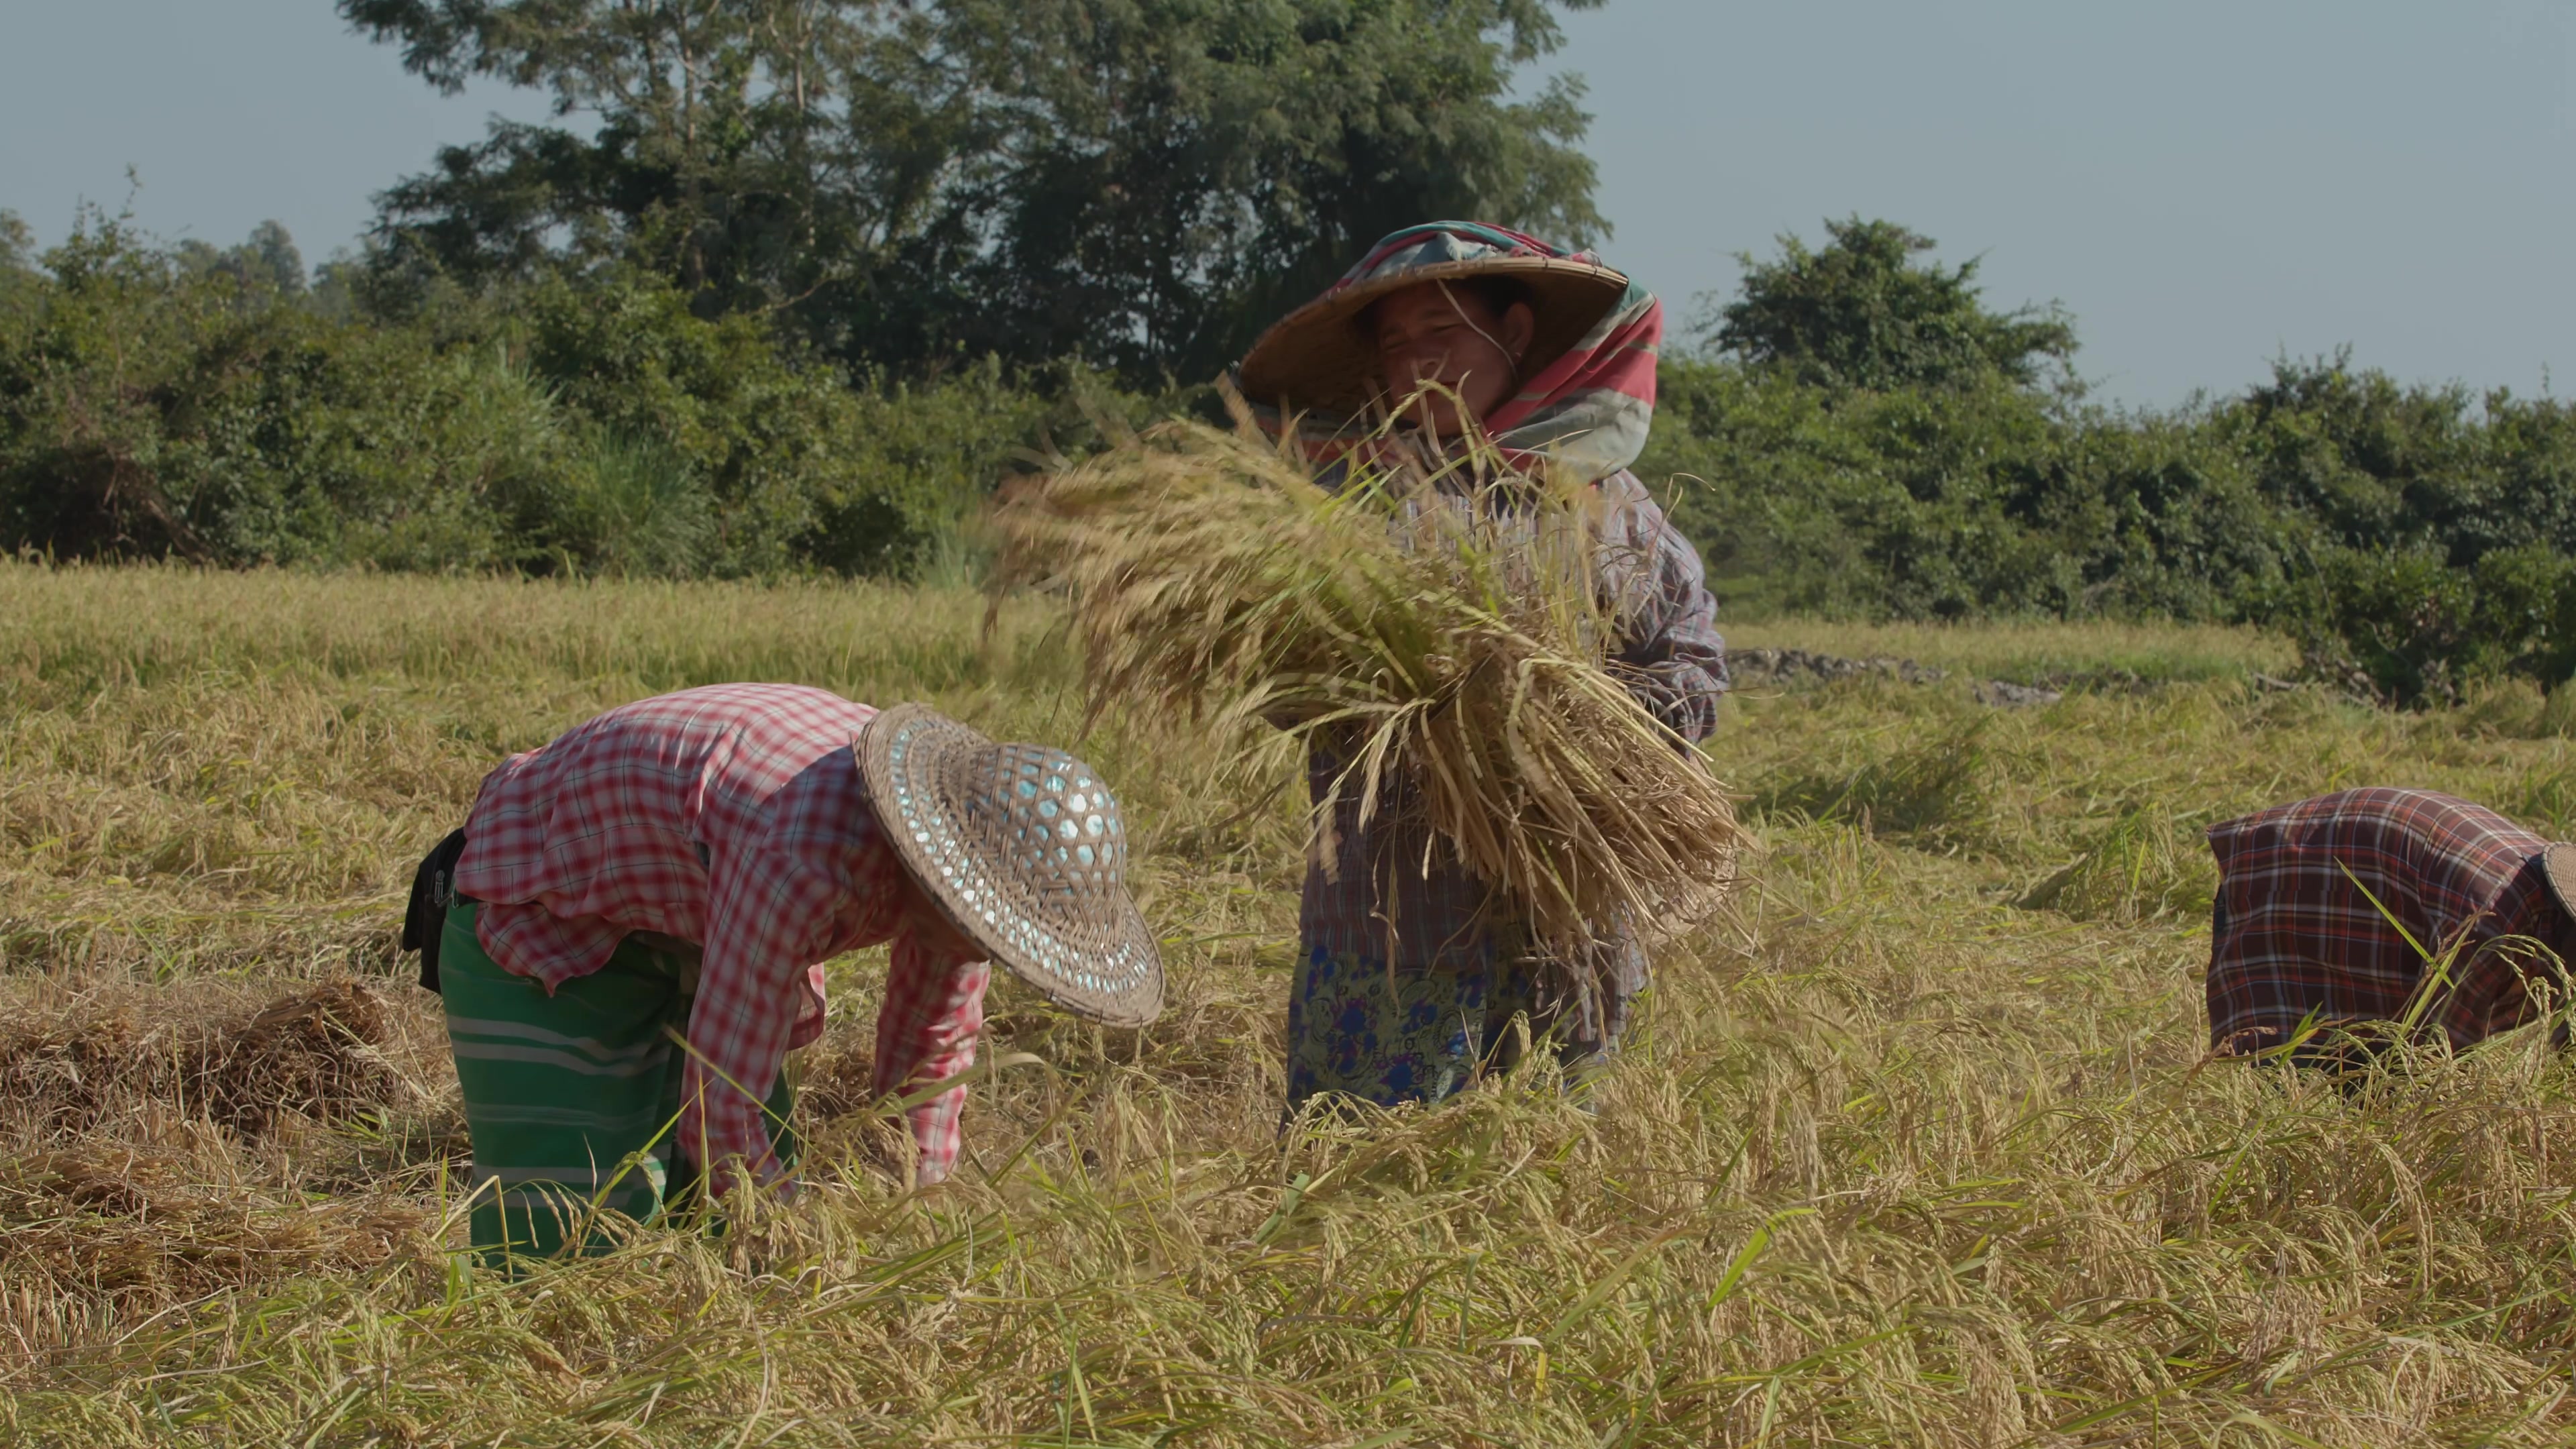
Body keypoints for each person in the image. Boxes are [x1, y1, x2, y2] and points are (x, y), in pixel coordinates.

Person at [1231, 221, 1727, 1113]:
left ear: (1517, 333)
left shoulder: (1609, 506)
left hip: (1569, 919)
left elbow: (1690, 664)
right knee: (1363, 1196)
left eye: (1442, 332)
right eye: (1395, 344)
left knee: (1549, 1199)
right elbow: (1287, 681)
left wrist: (1569, 717)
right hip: (1394, 916)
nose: (1416, 360)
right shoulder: (1354, 512)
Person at [400, 686, 1161, 1263]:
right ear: (941, 868)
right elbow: (719, 1109)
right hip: (544, 906)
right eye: (987, 928)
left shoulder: (962, 864)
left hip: (693, 918)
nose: (986, 947)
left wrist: (915, 1222)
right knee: (584, 1230)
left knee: (737, 1189)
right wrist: (804, 1252)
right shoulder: (803, 859)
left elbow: (930, 1057)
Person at [2206, 787, 2576, 1065]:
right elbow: (2432, 1059)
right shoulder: (2493, 926)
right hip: (2297, 877)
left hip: (2387, 875)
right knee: (2295, 1058)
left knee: (2366, 1054)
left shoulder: (2551, 905)